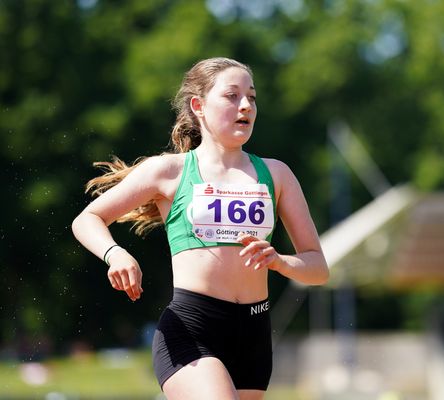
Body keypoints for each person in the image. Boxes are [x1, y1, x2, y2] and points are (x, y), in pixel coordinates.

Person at [71, 57, 329, 400]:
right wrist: (115, 253)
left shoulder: (277, 174)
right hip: (192, 328)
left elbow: (318, 267)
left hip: (253, 334)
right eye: (232, 95)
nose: (246, 105)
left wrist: (279, 261)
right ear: (199, 106)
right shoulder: (170, 172)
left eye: (252, 97)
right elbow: (87, 219)